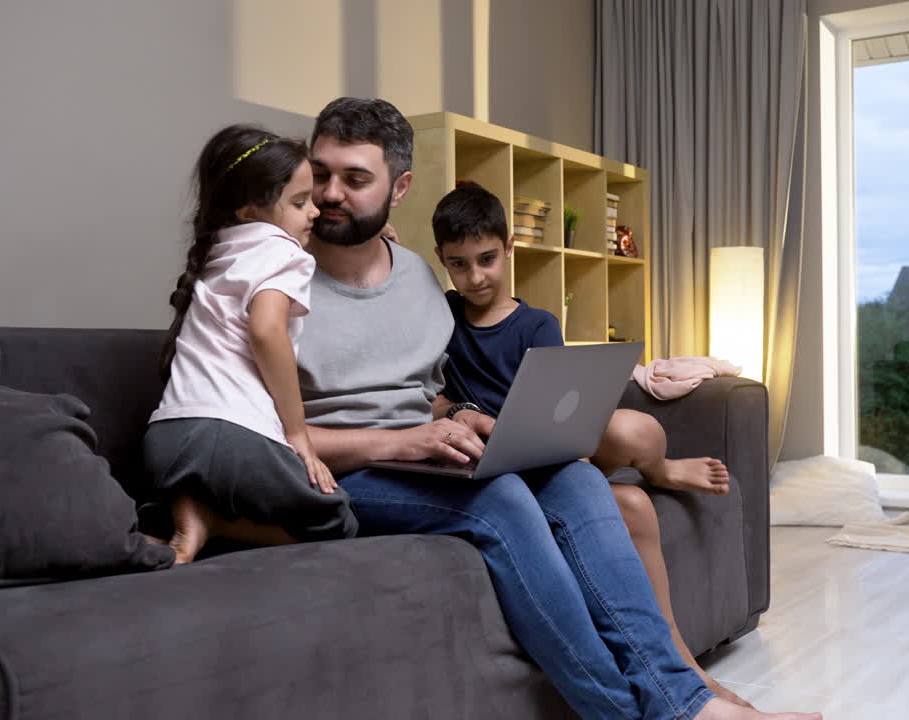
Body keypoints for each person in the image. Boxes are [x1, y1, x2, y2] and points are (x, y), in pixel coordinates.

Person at [296, 96, 819, 720]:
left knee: (573, 475)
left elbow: (428, 386)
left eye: (355, 179)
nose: (330, 193)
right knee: (503, 500)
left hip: (428, 454)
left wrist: (455, 417)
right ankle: (639, 714)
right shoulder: (275, 277)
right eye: (320, 173)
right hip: (350, 469)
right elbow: (265, 434)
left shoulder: (414, 278)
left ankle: (688, 704)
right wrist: (400, 441)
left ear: (399, 187)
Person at [429, 182, 745, 705]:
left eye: (487, 259)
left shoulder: (537, 323)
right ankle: (684, 669)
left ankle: (663, 473)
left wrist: (560, 439)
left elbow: (560, 408)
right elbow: (433, 397)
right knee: (633, 506)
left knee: (632, 429)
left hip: (552, 453)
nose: (475, 276)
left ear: (509, 249)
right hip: (499, 465)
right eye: (459, 264)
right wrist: (463, 413)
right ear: (442, 261)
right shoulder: (442, 317)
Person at [143, 123, 358, 564]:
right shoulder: (283, 250)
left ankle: (188, 514)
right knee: (340, 523)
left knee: (225, 481)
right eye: (300, 203)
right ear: (247, 211)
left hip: (165, 438)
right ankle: (216, 523)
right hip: (232, 437)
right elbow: (266, 330)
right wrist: (296, 431)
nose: (313, 212)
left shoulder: (217, 251)